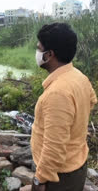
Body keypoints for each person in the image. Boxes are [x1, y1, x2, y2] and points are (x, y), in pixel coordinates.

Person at [31, 23, 97, 191]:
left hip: (60, 177)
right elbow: (91, 101)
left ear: (49, 55)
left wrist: (40, 180)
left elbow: (54, 147)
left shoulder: (58, 93)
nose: (37, 53)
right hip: (75, 164)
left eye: (39, 48)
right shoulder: (78, 77)